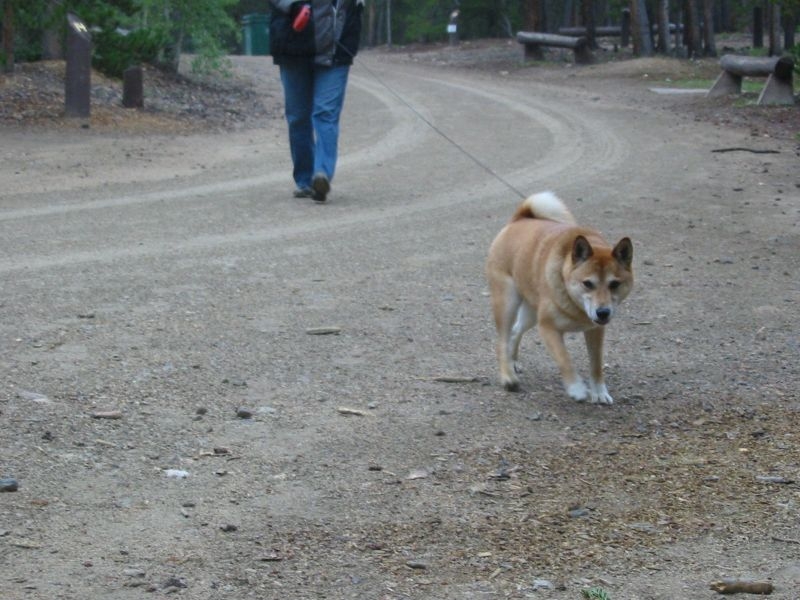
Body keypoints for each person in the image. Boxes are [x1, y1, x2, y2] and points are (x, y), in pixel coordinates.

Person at [269, 0, 364, 203]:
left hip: (336, 51)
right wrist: (293, 5)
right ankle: (305, 180)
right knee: (297, 117)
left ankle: (321, 174)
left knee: (325, 113)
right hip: (293, 46)